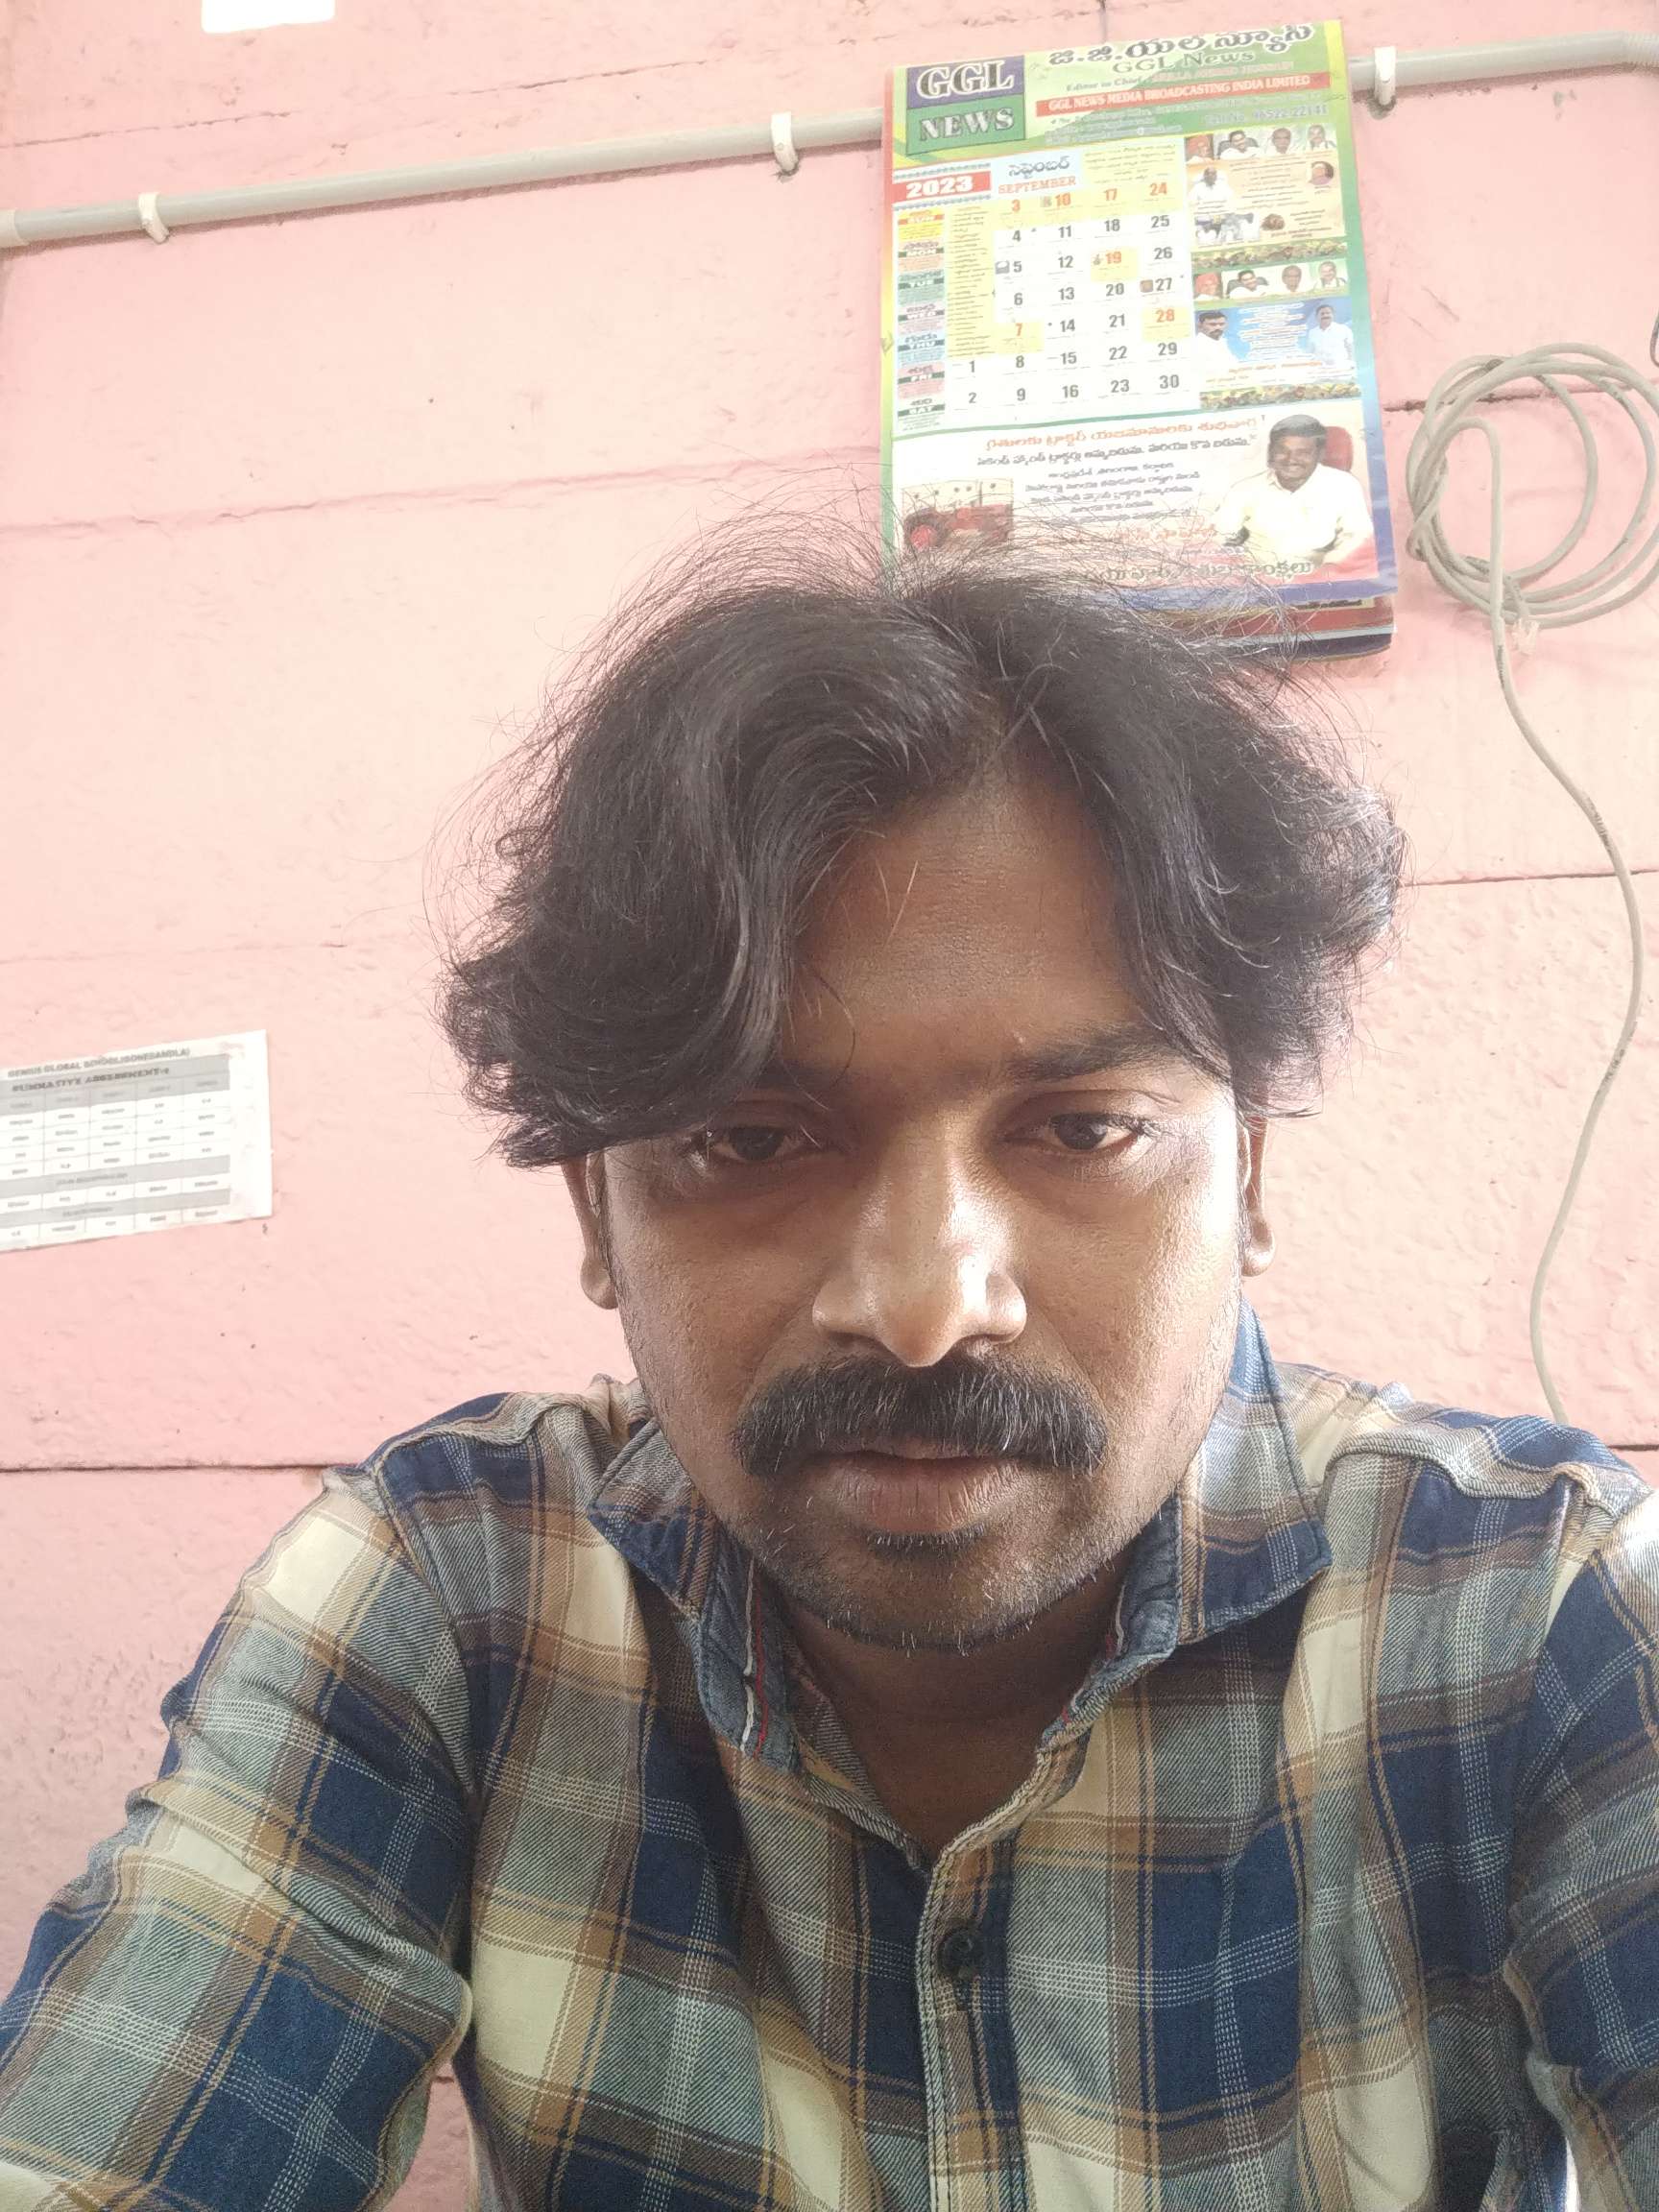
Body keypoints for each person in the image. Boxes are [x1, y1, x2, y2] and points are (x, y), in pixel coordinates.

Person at [2, 535, 1656, 2209]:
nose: (927, 1307)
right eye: (749, 1137)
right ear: (595, 1208)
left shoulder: (1536, 1612)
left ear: (1250, 1178)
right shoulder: (453, 1592)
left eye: (1083, 1128)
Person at [1214, 412, 1375, 569]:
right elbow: (1219, 536)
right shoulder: (1243, 489)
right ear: (1270, 452)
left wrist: (1330, 569)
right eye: (1282, 451)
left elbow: (1356, 536)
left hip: (1319, 577)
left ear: (1320, 454)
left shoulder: (1343, 485)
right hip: (1256, 577)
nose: (1291, 459)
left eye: (1303, 453)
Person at [1303, 301, 1357, 373]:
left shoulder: (1343, 329)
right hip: (1320, 371)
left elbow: (1351, 349)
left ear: (1333, 315)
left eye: (1328, 313)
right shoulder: (1312, 332)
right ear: (1317, 317)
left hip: (1340, 369)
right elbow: (1310, 351)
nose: (1325, 315)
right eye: (1322, 314)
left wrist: (1351, 365)